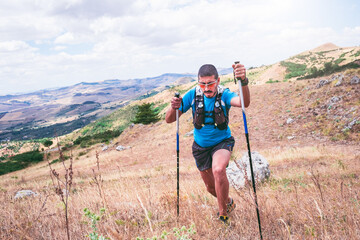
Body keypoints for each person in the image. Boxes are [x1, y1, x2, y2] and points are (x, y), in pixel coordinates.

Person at [165, 63, 250, 223]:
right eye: (202, 84)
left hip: (222, 142)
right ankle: (229, 203)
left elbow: (244, 102)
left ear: (217, 81)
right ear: (198, 83)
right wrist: (173, 107)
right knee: (211, 188)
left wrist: (243, 81)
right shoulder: (193, 94)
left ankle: (223, 214)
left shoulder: (224, 94)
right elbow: (169, 119)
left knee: (218, 170)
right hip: (200, 148)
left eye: (210, 83)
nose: (206, 88)